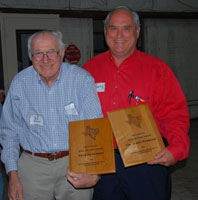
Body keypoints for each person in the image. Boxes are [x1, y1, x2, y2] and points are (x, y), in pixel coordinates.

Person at [83, 6, 190, 200]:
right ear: (105, 31)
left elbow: (173, 113)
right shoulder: (89, 69)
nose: (119, 35)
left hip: (146, 162)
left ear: (137, 32)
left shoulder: (157, 69)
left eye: (127, 28)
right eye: (113, 28)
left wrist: (177, 147)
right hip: (103, 161)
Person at [0, 30, 103, 200]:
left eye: (51, 52)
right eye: (38, 53)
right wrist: (12, 174)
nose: (45, 59)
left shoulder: (81, 80)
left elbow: (96, 128)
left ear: (62, 53)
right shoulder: (20, 83)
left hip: (75, 161)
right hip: (33, 166)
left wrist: (95, 171)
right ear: (31, 57)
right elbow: (8, 132)